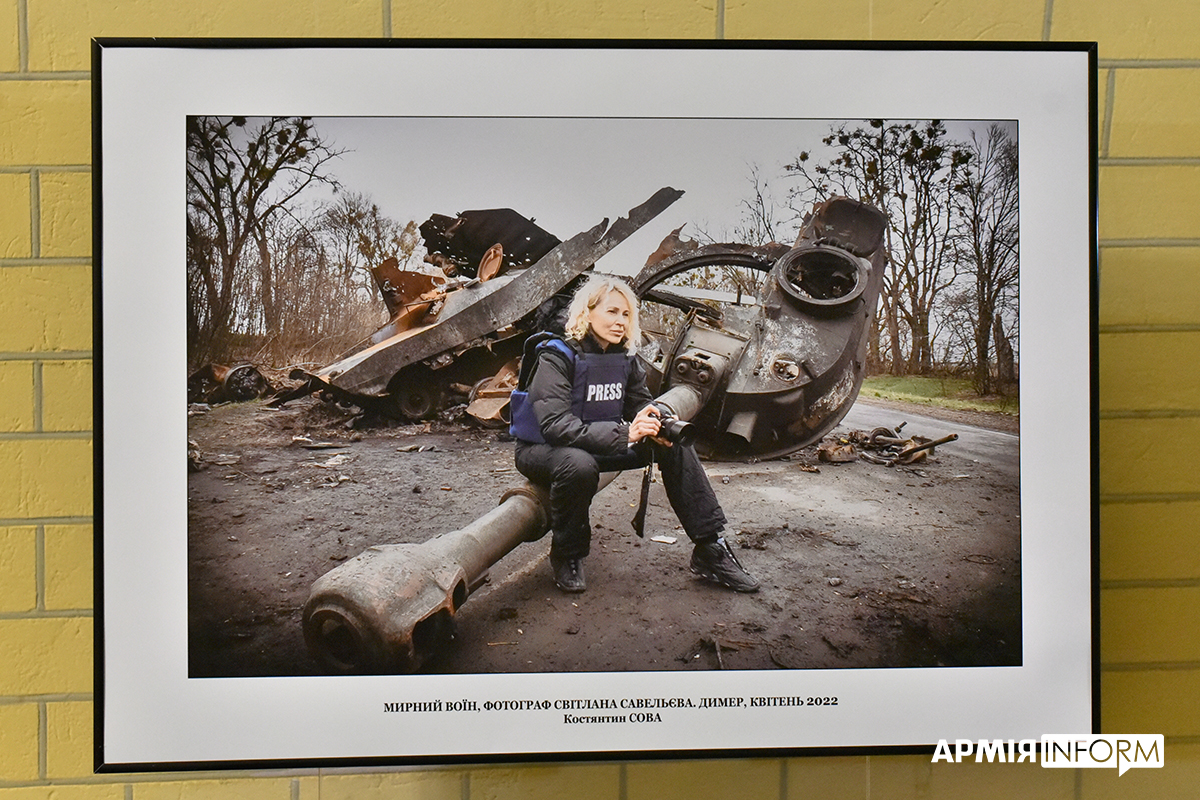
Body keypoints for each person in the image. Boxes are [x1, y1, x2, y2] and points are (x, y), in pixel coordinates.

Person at [513, 273, 759, 594]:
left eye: (627, 314)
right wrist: (626, 434)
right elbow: (556, 426)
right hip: (543, 449)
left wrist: (655, 420)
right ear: (587, 313)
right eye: (612, 312)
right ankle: (568, 554)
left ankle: (710, 548)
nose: (620, 322)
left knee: (673, 444)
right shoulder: (556, 355)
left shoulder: (624, 357)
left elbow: (639, 405)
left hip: (597, 442)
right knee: (579, 464)